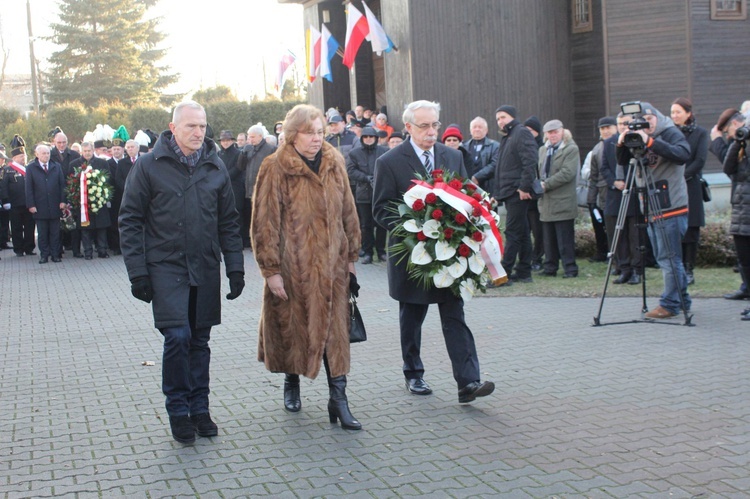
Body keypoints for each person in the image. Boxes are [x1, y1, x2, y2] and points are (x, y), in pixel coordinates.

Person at [119, 100, 245, 444]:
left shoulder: (214, 166)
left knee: (200, 340)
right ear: (173, 128)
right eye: (191, 126)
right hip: (165, 268)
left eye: (203, 126)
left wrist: (235, 268)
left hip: (204, 266)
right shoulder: (148, 166)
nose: (198, 132)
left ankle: (199, 408)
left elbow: (229, 222)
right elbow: (129, 220)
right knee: (177, 337)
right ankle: (178, 409)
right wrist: (138, 273)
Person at [373, 100, 495, 404]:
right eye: (424, 126)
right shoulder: (389, 161)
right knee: (412, 317)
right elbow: (380, 209)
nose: (431, 132)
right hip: (413, 255)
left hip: (451, 253)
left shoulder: (452, 155)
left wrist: (468, 226)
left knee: (455, 315)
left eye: (435, 125)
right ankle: (413, 373)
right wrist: (416, 231)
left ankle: (468, 382)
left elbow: (467, 197)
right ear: (409, 128)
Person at [251, 104, 362, 430]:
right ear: (291, 134)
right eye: (309, 133)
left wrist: (352, 257)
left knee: (335, 334)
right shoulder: (274, 167)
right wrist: (271, 270)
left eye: (320, 132)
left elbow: (349, 212)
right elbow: (263, 223)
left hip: (333, 267)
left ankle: (338, 399)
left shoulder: (334, 162)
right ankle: (291, 380)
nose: (316, 139)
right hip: (293, 266)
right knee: (293, 329)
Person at [616, 102, 691, 319]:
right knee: (666, 258)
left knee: (669, 258)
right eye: (639, 121)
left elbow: (683, 154)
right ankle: (682, 300)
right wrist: (621, 144)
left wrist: (650, 142)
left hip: (671, 205)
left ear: (656, 117)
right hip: (650, 205)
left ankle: (669, 304)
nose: (644, 125)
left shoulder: (669, 133)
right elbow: (622, 163)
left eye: (648, 120)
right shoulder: (635, 137)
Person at [473, 105, 538, 284]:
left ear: (513, 117)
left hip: (518, 192)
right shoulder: (508, 137)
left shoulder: (520, 133)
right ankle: (524, 271)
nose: (500, 121)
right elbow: (502, 169)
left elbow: (530, 161)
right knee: (522, 232)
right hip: (510, 192)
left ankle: (503, 274)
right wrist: (498, 194)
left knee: (513, 232)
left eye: (503, 117)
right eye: (498, 119)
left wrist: (524, 187)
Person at [709, 109, 750, 300]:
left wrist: (720, 141)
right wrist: (737, 141)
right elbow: (729, 168)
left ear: (734, 124)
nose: (727, 136)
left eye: (727, 132)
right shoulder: (740, 141)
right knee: (744, 256)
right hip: (741, 205)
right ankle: (746, 288)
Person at [671, 97, 709, 286]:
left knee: (691, 227)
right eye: (672, 112)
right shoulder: (669, 133)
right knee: (675, 226)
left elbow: (700, 160)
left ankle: (689, 268)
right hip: (672, 186)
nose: (675, 116)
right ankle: (677, 267)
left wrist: (682, 176)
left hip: (691, 184)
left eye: (678, 112)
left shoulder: (700, 133)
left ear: (688, 113)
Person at [536, 120, 580, 278]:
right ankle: (550, 268)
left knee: (565, 239)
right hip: (546, 202)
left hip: (563, 201)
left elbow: (567, 173)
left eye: (555, 132)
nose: (552, 135)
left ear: (562, 132)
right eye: (549, 132)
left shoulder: (570, 149)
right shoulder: (542, 149)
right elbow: (538, 171)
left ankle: (570, 268)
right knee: (548, 240)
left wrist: (545, 185)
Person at [603, 113, 642, 285]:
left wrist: (629, 182)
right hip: (615, 195)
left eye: (626, 123)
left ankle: (636, 270)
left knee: (634, 235)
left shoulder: (637, 141)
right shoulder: (608, 142)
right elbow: (604, 167)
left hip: (633, 193)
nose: (622, 126)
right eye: (619, 123)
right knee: (618, 235)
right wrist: (614, 182)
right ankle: (624, 268)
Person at [347, 126, 389, 264]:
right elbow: (350, 170)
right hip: (363, 193)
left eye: (371, 137)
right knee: (366, 225)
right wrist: (366, 178)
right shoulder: (355, 153)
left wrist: (378, 178)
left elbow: (389, 168)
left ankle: (381, 251)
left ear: (376, 138)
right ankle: (368, 252)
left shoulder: (384, 151)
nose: (369, 139)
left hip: (380, 192)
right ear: (362, 138)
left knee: (381, 224)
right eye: (366, 137)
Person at [722, 115, 750, 321]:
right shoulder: (743, 149)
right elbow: (727, 168)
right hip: (742, 214)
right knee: (744, 260)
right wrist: (738, 141)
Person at [69, 143, 112, 260]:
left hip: (99, 200)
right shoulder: (74, 164)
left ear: (93, 150)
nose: (87, 153)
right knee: (85, 228)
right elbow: (70, 183)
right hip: (83, 203)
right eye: (85, 151)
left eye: (89, 150)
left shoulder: (102, 163)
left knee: (101, 227)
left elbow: (108, 179)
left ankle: (102, 250)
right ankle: (88, 251)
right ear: (81, 151)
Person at [25, 144, 66, 263]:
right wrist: (31, 204)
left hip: (55, 205)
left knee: (55, 232)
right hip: (39, 205)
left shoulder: (56, 166)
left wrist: (63, 201)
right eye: (43, 153)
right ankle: (44, 255)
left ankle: (55, 254)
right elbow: (29, 188)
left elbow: (62, 185)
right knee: (42, 233)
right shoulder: (31, 167)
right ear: (37, 154)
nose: (46, 155)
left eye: (48, 153)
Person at [585, 117, 619, 264]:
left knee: (617, 226)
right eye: (602, 128)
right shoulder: (597, 149)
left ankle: (618, 256)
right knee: (605, 226)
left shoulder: (620, 144)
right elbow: (593, 177)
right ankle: (607, 253)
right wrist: (591, 200)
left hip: (617, 190)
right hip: (601, 192)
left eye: (608, 127)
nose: (605, 131)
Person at [238, 124, 276, 249]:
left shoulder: (270, 149)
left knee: (264, 218)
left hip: (264, 190)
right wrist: (243, 153)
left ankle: (266, 243)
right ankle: (255, 242)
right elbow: (240, 167)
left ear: (260, 136)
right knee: (252, 218)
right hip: (249, 190)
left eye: (253, 137)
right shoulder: (249, 149)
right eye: (249, 136)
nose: (250, 139)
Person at [1, 135, 36, 257]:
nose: (24, 158)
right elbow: (4, 186)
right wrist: (5, 201)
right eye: (21, 157)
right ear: (15, 158)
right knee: (16, 228)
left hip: (28, 203)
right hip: (14, 204)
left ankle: (29, 247)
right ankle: (19, 249)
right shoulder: (8, 170)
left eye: (24, 156)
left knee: (29, 227)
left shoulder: (29, 168)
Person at [523, 116, 545, 270]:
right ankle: (526, 258)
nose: (528, 133)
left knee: (538, 231)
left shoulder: (541, 148)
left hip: (537, 195)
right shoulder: (522, 146)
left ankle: (538, 258)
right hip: (524, 195)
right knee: (524, 230)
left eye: (531, 130)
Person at [218, 131, 244, 244]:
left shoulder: (238, 153)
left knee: (237, 213)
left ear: (232, 141)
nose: (225, 143)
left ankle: (238, 240)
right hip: (221, 186)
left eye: (227, 140)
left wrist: (224, 176)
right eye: (223, 141)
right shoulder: (218, 154)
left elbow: (238, 169)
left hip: (235, 187)